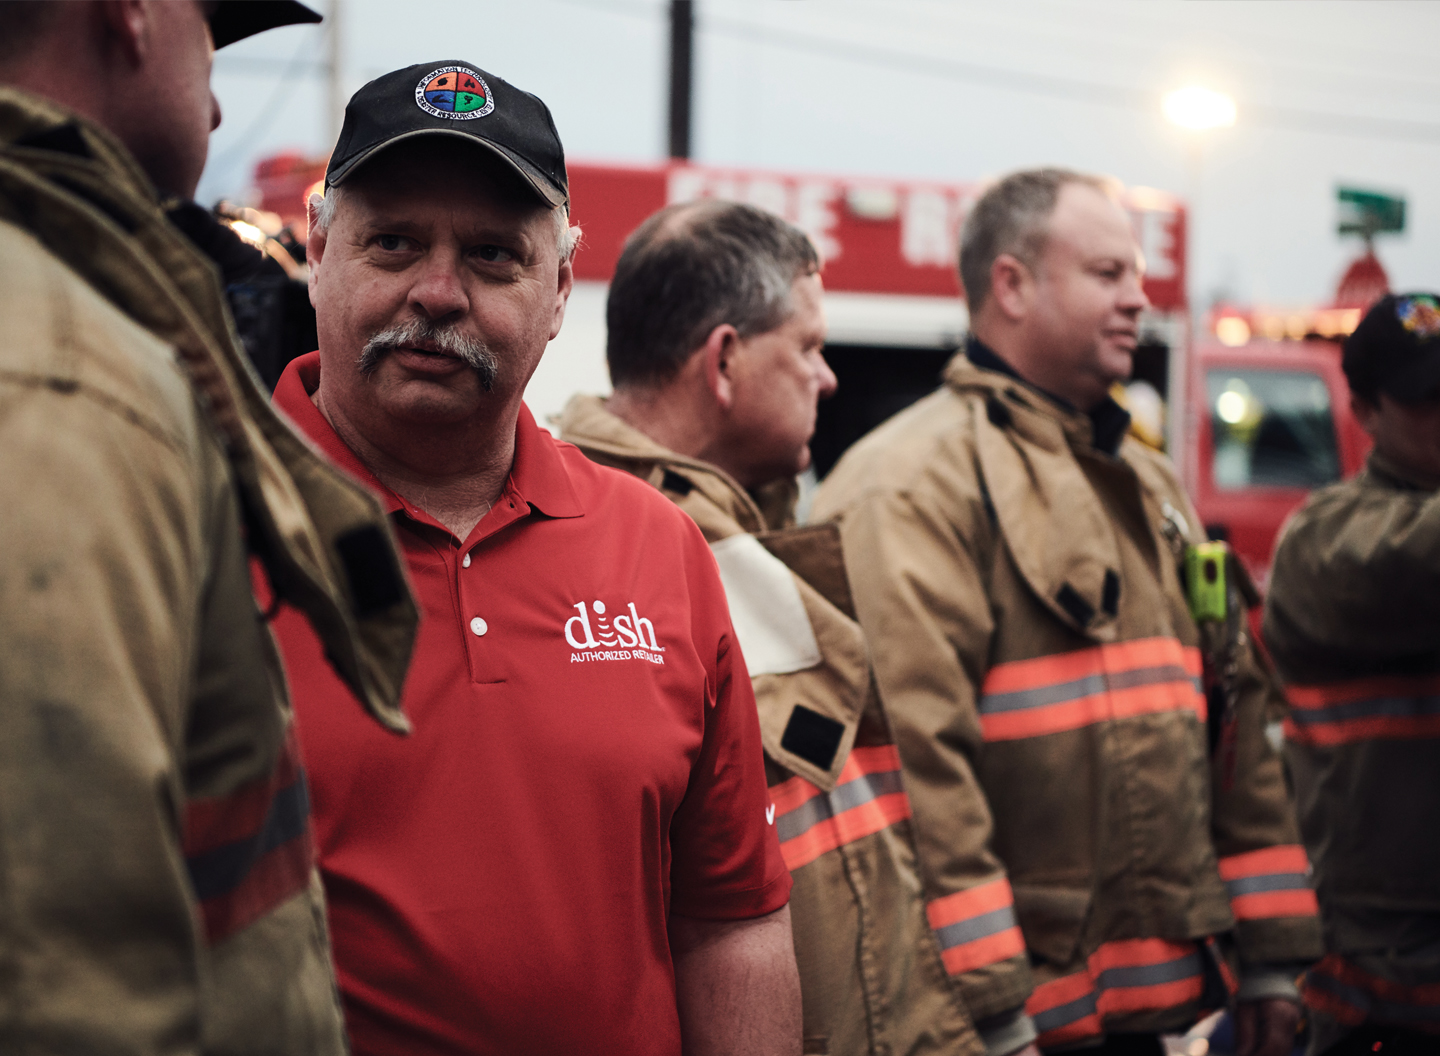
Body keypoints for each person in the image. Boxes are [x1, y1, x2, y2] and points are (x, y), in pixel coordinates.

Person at [267, 62, 801, 1056]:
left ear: (559, 289)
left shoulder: (658, 546)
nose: (437, 291)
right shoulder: (203, 525)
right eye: (392, 242)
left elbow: (731, 915)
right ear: (317, 245)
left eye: (492, 256)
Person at [811, 168, 1323, 1056]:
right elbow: (921, 776)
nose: (1140, 298)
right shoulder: (908, 485)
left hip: (1159, 1016)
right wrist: (993, 1009)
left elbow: (1234, 719)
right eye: (1106, 274)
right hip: (1014, 1027)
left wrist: (1275, 957)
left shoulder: (1150, 482)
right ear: (1010, 285)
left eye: (1136, 273)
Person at [0, 1, 418, 1052]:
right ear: (132, 13)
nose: (222, 96)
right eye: (205, 28)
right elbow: (52, 981)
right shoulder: (60, 372)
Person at [558, 199, 984, 1056]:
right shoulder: (609, 556)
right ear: (722, 361)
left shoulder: (727, 531)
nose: (828, 377)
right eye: (810, 347)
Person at [1264, 293, 1440, 1056]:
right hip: (1380, 983)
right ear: (1365, 411)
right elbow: (1413, 561)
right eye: (1431, 401)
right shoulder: (1326, 541)